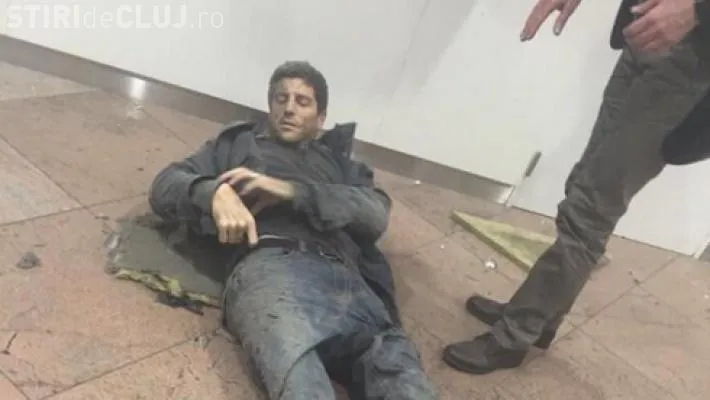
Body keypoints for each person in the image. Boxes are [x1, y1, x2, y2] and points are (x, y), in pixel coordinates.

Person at [443, 0, 710, 374]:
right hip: (644, 32)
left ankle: (513, 337)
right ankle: (540, 317)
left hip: (693, 61)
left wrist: (697, 9)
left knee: (592, 208)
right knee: (585, 186)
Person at [148, 61, 439, 399]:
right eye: (280, 98)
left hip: (353, 284)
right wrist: (212, 192)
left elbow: (375, 214)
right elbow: (164, 185)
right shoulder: (239, 146)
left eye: (302, 102)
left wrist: (292, 191)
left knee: (408, 385)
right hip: (275, 269)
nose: (288, 109)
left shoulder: (342, 164)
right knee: (303, 388)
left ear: (320, 118)